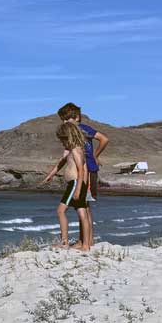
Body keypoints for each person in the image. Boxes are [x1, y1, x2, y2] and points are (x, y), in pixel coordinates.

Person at [42, 121, 94, 251]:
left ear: (69, 137)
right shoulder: (72, 150)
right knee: (82, 212)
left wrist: (78, 189)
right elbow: (60, 163)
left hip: (75, 183)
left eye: (63, 140)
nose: (62, 143)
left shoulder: (76, 150)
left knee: (61, 210)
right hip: (76, 184)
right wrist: (50, 175)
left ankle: (66, 242)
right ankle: (85, 244)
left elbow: (81, 170)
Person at [57, 102, 108, 201]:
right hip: (76, 172)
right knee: (80, 202)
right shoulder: (68, 132)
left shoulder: (84, 129)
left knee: (85, 200)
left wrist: (95, 155)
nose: (64, 122)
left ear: (76, 117)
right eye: (62, 120)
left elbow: (104, 139)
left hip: (89, 168)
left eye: (66, 119)